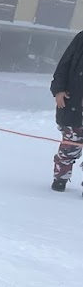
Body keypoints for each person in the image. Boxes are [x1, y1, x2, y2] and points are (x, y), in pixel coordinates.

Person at [51, 30, 83, 191]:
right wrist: (58, 91)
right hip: (74, 105)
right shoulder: (81, 38)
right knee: (70, 145)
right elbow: (64, 65)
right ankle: (60, 179)